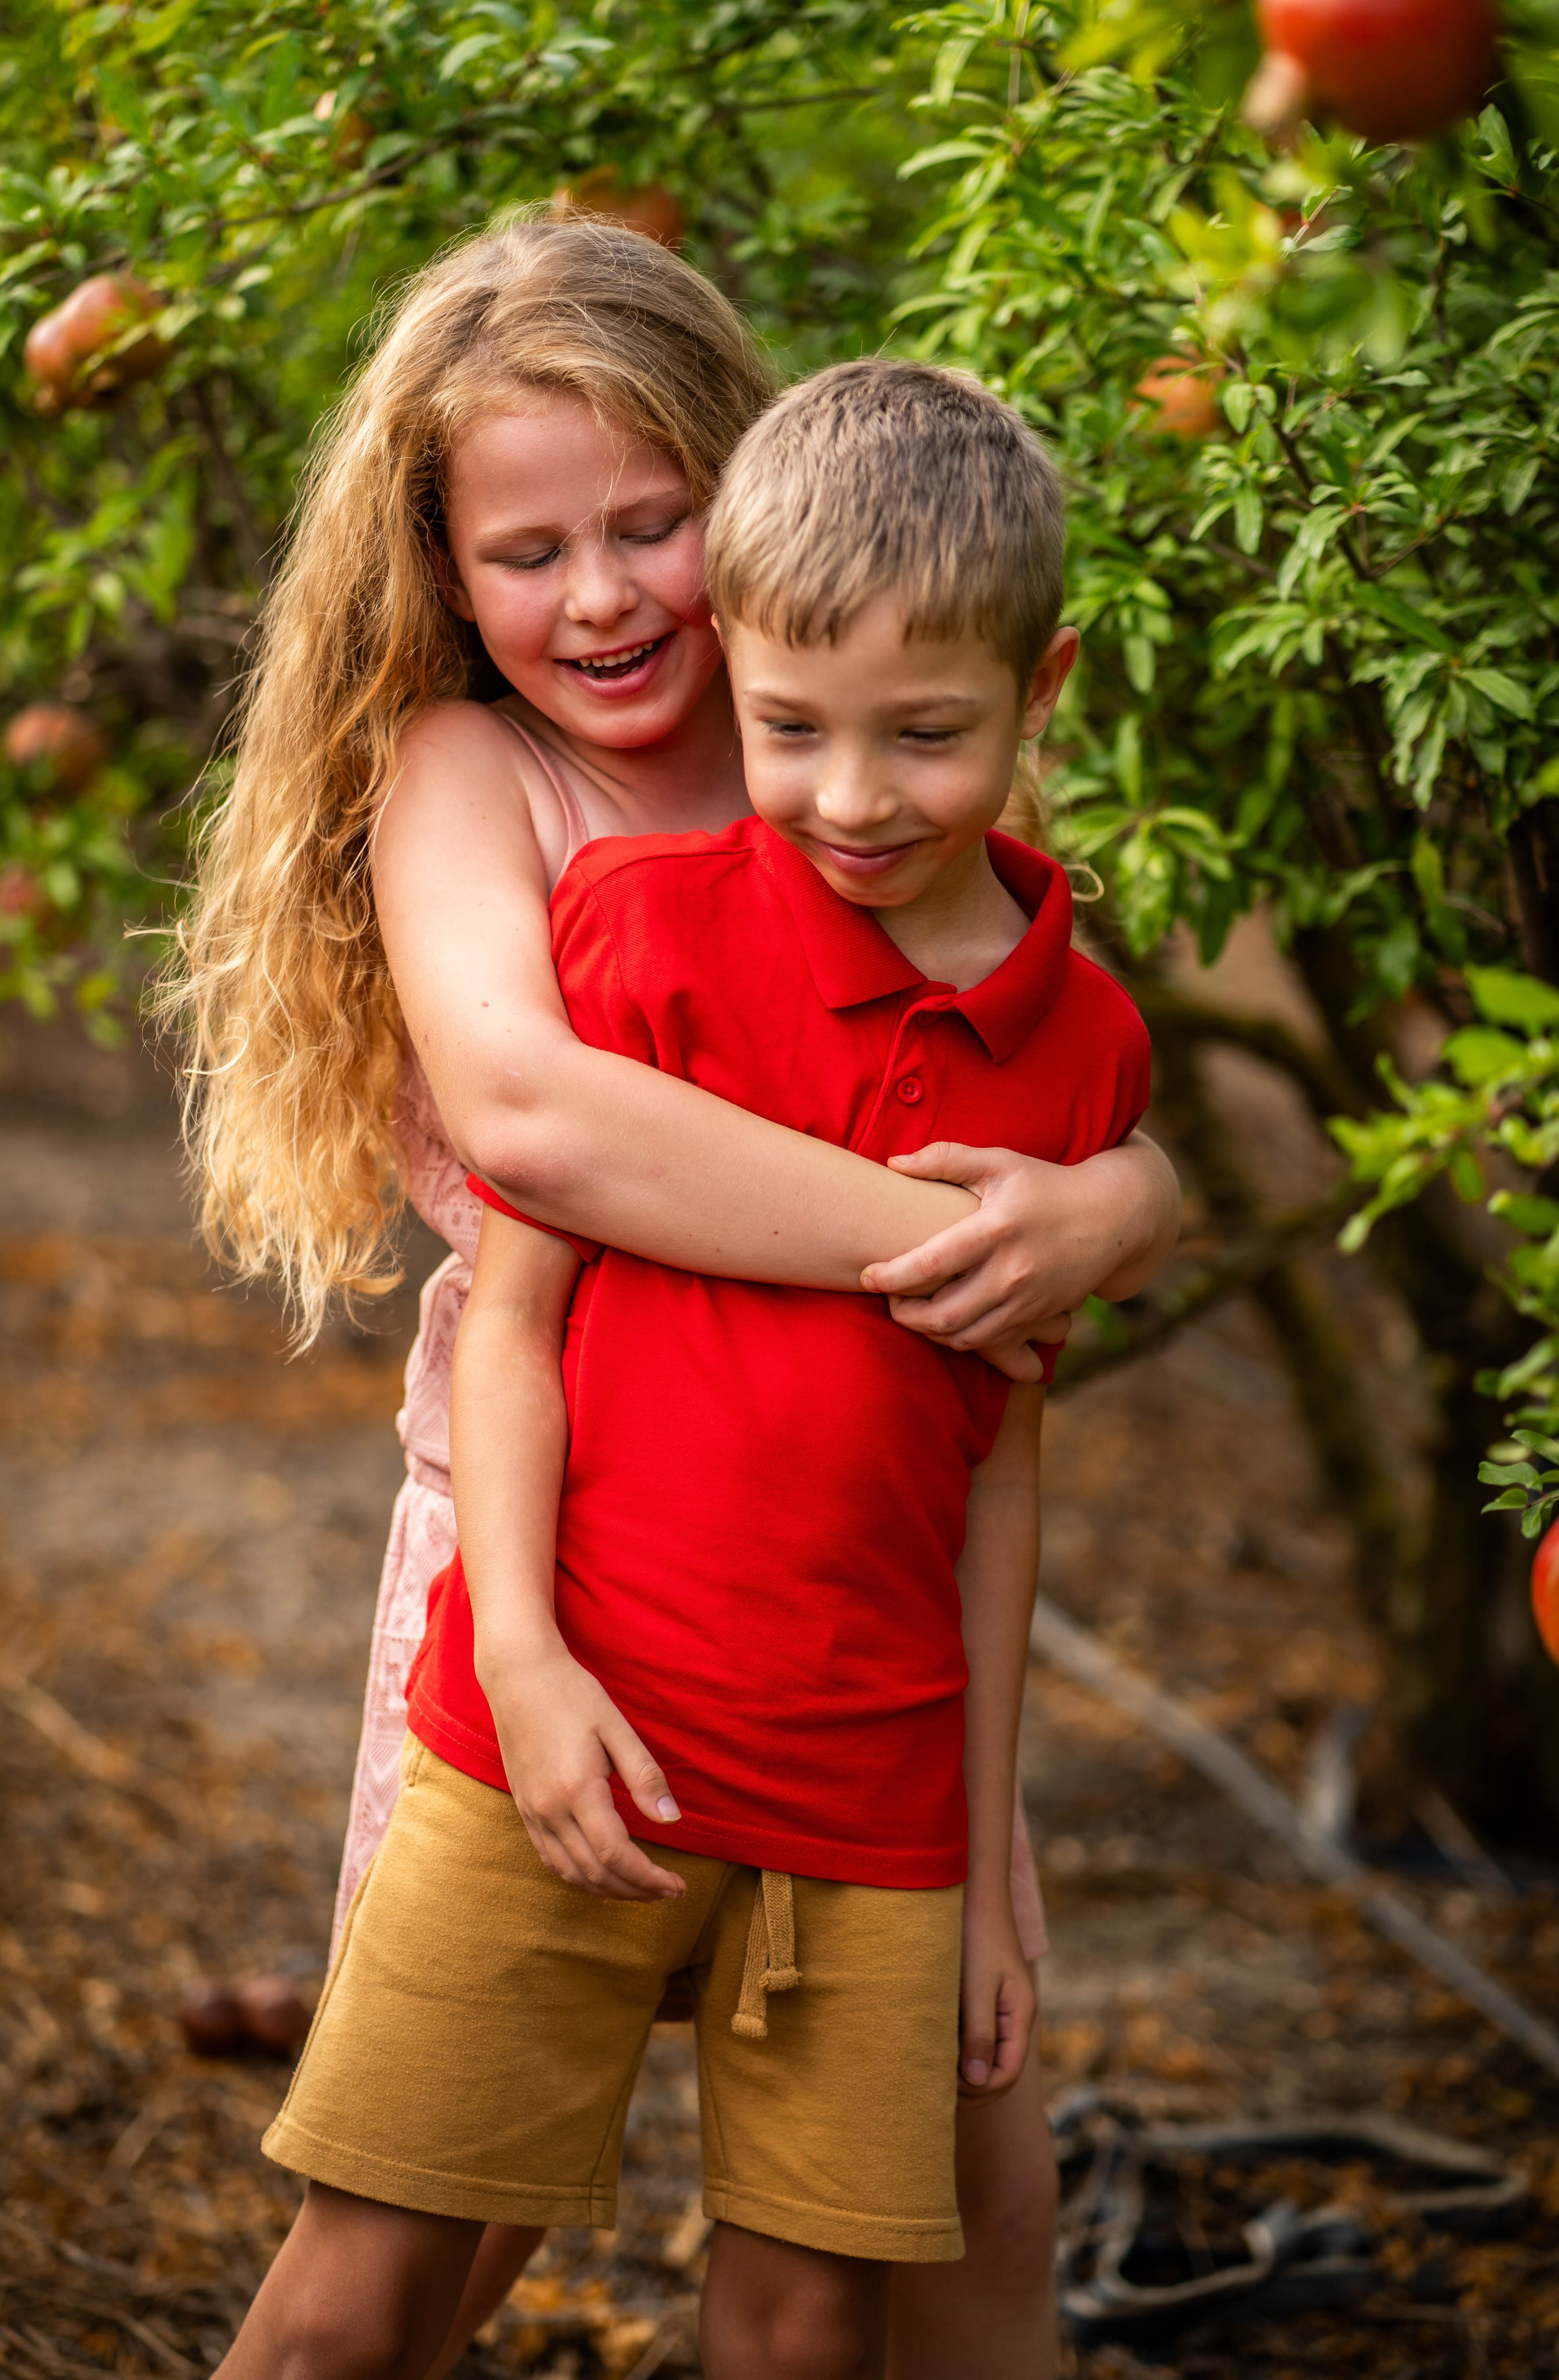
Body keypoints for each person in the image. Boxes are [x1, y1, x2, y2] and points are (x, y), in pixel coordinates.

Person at [166, 216, 1178, 2373]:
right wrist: (997, 1241)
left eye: (654, 524)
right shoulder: (481, 775)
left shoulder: (831, 744)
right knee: (442, 2211)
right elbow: (541, 1117)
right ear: (444, 575)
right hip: (556, 1554)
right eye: (530, 553)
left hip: (865, 1606)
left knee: (957, 2178)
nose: (607, 594)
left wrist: (1129, 1194)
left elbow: (1041, 1035)